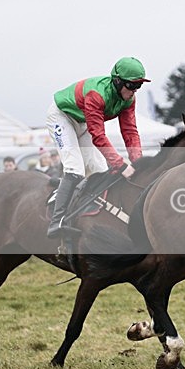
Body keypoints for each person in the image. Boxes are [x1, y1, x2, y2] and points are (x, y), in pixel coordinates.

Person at [45, 57, 148, 239]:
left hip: (82, 122)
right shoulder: (97, 94)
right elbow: (99, 135)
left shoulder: (128, 100)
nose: (134, 91)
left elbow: (130, 131)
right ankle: (57, 221)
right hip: (62, 117)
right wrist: (121, 165)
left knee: (100, 171)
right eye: (132, 86)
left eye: (139, 86)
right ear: (117, 81)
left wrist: (138, 162)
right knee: (75, 168)